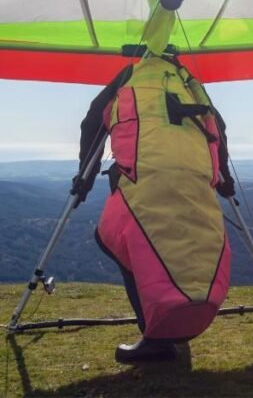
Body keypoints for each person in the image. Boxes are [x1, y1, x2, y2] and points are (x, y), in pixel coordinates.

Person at [73, 48, 235, 363]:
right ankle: (174, 311)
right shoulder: (188, 83)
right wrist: (224, 179)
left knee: (113, 238)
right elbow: (218, 130)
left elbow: (93, 121)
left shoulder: (131, 75)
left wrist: (86, 177)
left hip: (144, 182)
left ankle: (157, 333)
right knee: (184, 238)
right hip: (195, 181)